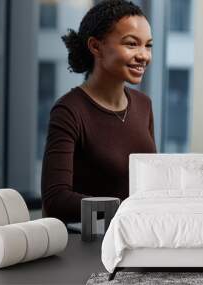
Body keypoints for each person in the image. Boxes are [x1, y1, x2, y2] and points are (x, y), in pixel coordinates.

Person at [41, 0, 156, 223]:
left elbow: (151, 182)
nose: (144, 55)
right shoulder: (69, 110)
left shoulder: (144, 105)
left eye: (148, 45)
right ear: (95, 46)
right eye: (132, 44)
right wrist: (125, 209)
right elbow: (56, 200)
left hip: (138, 234)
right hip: (90, 244)